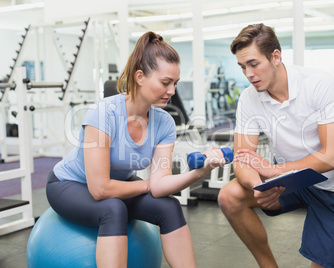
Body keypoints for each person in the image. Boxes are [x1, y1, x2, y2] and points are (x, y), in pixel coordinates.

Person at [46, 31, 226, 268]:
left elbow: (160, 183)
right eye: (165, 82)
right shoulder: (103, 114)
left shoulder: (164, 122)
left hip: (117, 185)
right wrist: (145, 185)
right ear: (140, 77)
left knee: (170, 207)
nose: (172, 91)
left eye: (175, 83)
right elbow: (100, 189)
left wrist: (199, 173)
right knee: (113, 208)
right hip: (69, 185)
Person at [218, 24, 334, 268]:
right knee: (229, 196)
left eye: (254, 64)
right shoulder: (249, 98)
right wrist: (260, 188)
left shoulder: (318, 83)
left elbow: (333, 157)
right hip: (291, 181)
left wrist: (273, 171)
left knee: (328, 263)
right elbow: (243, 158)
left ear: (275, 56)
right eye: (243, 67)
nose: (248, 74)